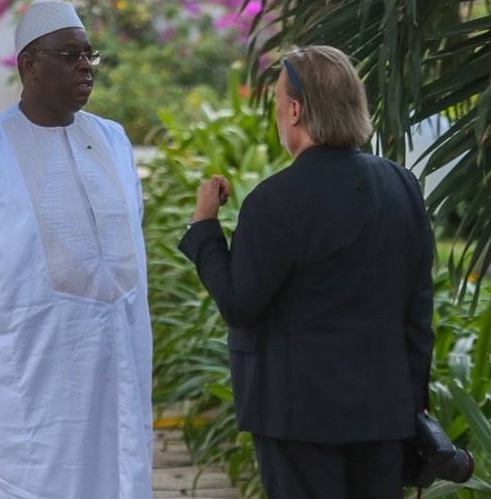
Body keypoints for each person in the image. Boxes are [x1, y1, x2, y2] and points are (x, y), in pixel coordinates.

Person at [0, 2, 152, 498]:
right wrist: (1, 318)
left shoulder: (112, 140)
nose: (85, 66)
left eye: (90, 55)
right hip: (28, 367)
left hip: (114, 359)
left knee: (116, 475)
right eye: (70, 55)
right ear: (29, 65)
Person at [178, 45, 435, 499]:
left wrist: (204, 229)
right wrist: (412, 407)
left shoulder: (275, 201)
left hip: (296, 418)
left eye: (278, 104)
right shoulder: (401, 186)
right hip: (383, 415)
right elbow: (417, 311)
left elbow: (240, 304)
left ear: (294, 110)